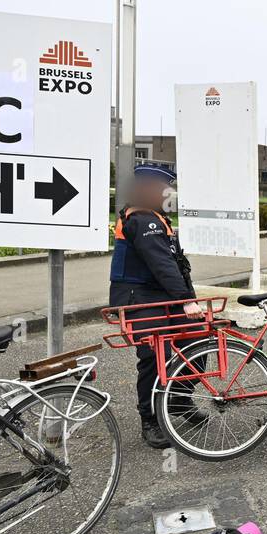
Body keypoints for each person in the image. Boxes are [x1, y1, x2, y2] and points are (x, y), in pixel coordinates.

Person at [108, 164, 202, 450]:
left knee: (197, 339)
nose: (168, 193)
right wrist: (187, 300)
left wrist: (188, 297)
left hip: (161, 294)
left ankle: (178, 399)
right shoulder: (142, 219)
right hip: (139, 297)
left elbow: (175, 265)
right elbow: (162, 265)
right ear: (146, 188)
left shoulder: (157, 217)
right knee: (153, 355)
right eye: (164, 188)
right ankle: (149, 418)